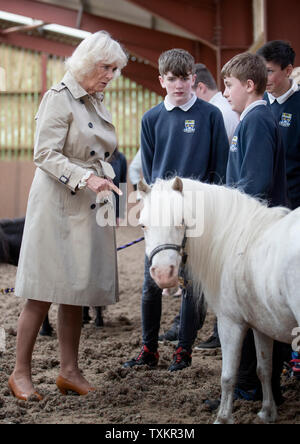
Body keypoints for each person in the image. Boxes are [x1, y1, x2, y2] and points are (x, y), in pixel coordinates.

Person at [8, 31, 128, 401]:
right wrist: (85, 177)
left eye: (115, 69)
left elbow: (99, 151)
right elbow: (44, 154)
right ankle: (20, 374)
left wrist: (101, 179)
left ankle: (69, 371)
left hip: (88, 202)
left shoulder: (95, 100)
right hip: (58, 204)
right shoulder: (58, 98)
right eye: (106, 67)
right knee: (42, 292)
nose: (111, 75)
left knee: (76, 290)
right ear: (88, 62)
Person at [123, 48, 229, 372]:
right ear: (162, 81)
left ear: (194, 80)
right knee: (150, 283)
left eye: (184, 78)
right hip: (163, 214)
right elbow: (151, 171)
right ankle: (149, 349)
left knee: (193, 286)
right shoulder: (151, 119)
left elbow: (220, 168)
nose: (179, 85)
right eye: (172, 79)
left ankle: (184, 351)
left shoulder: (211, 116)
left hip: (197, 210)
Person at [205, 51, 289, 411]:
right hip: (254, 231)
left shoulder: (256, 122)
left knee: (252, 309)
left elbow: (254, 184)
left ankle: (249, 387)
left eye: (229, 85)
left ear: (249, 85)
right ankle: (252, 385)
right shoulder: (249, 120)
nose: (224, 92)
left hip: (257, 234)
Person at [161, 63, 240, 348]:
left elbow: (221, 161)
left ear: (199, 86)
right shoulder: (222, 110)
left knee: (209, 269)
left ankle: (212, 331)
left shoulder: (218, 113)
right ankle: (195, 327)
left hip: (210, 201)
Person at [257, 40, 300, 211]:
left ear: (288, 70)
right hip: (263, 204)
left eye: (269, 71)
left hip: (294, 206)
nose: (263, 78)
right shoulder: (257, 101)